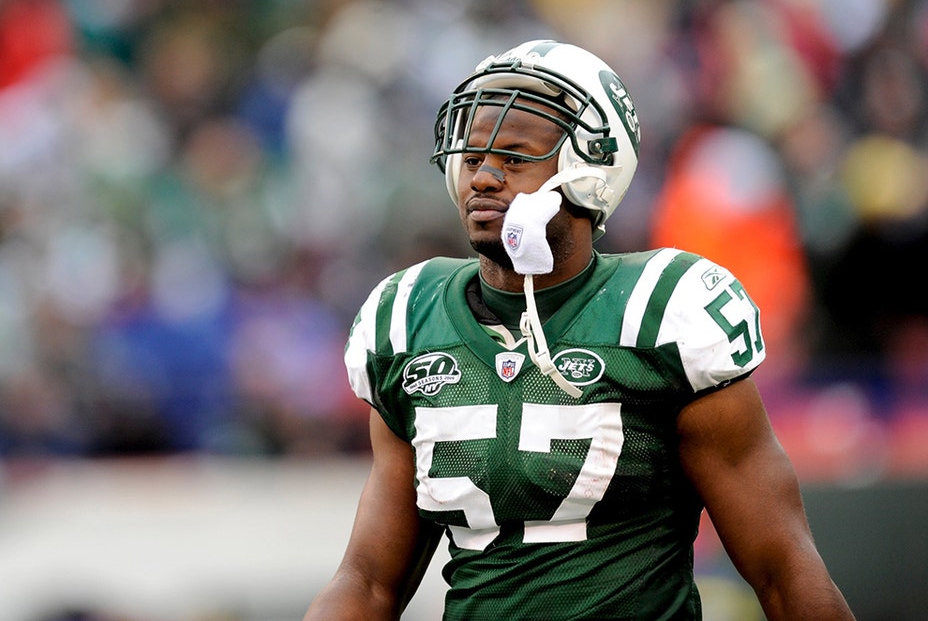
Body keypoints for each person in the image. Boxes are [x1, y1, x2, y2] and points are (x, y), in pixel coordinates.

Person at [304, 40, 854, 620]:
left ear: (590, 172)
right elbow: (367, 582)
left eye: (514, 158)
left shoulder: (662, 315)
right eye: (471, 158)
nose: (484, 178)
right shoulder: (410, 319)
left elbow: (782, 569)